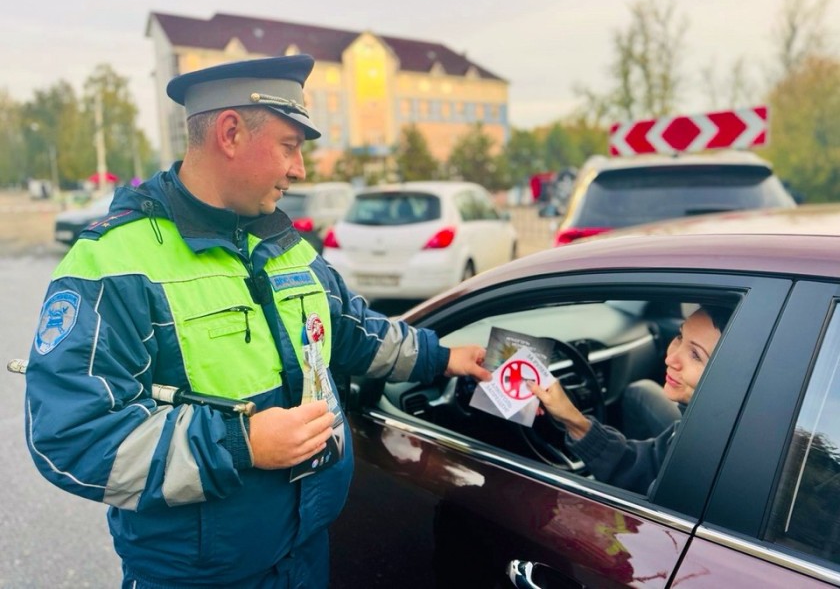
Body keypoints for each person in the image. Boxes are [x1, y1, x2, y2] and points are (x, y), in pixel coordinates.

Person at [24, 54, 491, 589]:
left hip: (304, 552)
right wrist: (240, 443)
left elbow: (350, 330)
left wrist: (442, 357)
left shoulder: (281, 241)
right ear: (230, 133)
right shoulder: (113, 262)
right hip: (199, 579)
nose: (300, 170)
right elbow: (72, 436)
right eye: (289, 146)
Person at [528, 304, 732, 495]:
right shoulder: (702, 426)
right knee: (640, 392)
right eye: (680, 336)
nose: (670, 358)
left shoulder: (699, 460)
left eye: (695, 355)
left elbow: (640, 479)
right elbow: (647, 465)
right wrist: (573, 419)